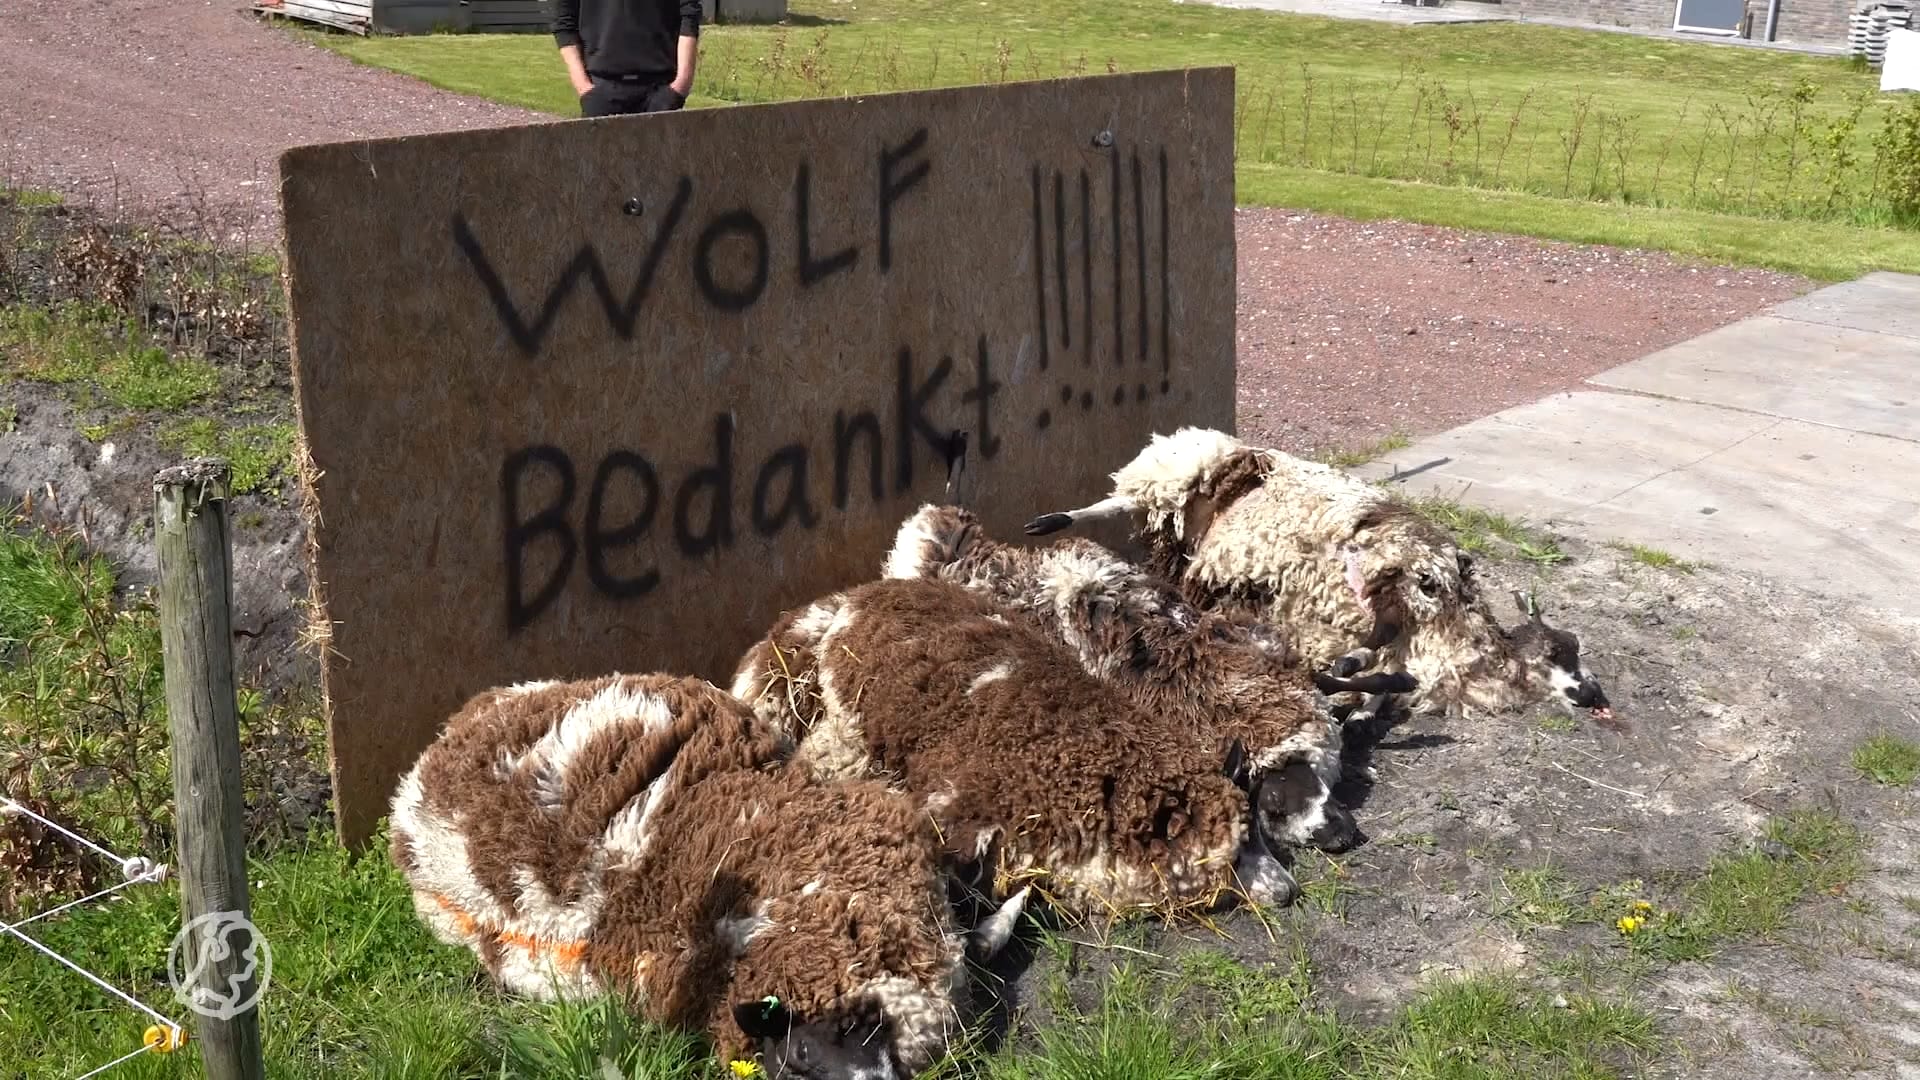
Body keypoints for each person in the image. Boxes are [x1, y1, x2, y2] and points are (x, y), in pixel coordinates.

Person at [552, 0, 704, 118]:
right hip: (602, 91)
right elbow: (564, 24)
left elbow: (689, 15)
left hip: (661, 90)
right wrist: (584, 89)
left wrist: (680, 86)